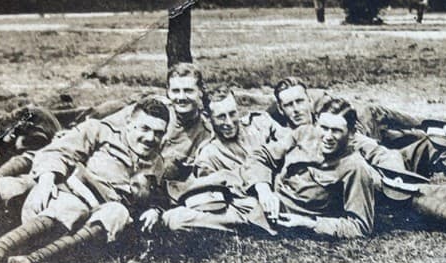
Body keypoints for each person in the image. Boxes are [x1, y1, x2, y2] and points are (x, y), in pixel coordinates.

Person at [0, 97, 171, 263]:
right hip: (67, 197)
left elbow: (156, 196)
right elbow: (58, 152)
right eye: (145, 128)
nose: (150, 138)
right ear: (130, 124)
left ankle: (27, 262)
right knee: (71, 206)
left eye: (158, 133)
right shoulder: (102, 132)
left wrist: (155, 209)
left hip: (96, 223)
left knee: (118, 213)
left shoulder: (157, 162)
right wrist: (47, 180)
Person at [242, 97, 380, 240]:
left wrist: (308, 223)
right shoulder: (304, 134)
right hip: (261, 191)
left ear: (351, 133)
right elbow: (261, 155)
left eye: (336, 131)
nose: (328, 136)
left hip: (275, 215)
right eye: (324, 128)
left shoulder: (355, 168)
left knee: (221, 210)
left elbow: (361, 226)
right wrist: (264, 190)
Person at [161, 89, 277, 235]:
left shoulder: (258, 125)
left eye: (232, 113)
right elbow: (215, 199)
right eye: (221, 117)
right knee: (176, 219)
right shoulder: (208, 155)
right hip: (248, 208)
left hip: (283, 189)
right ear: (209, 119)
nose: (228, 122)